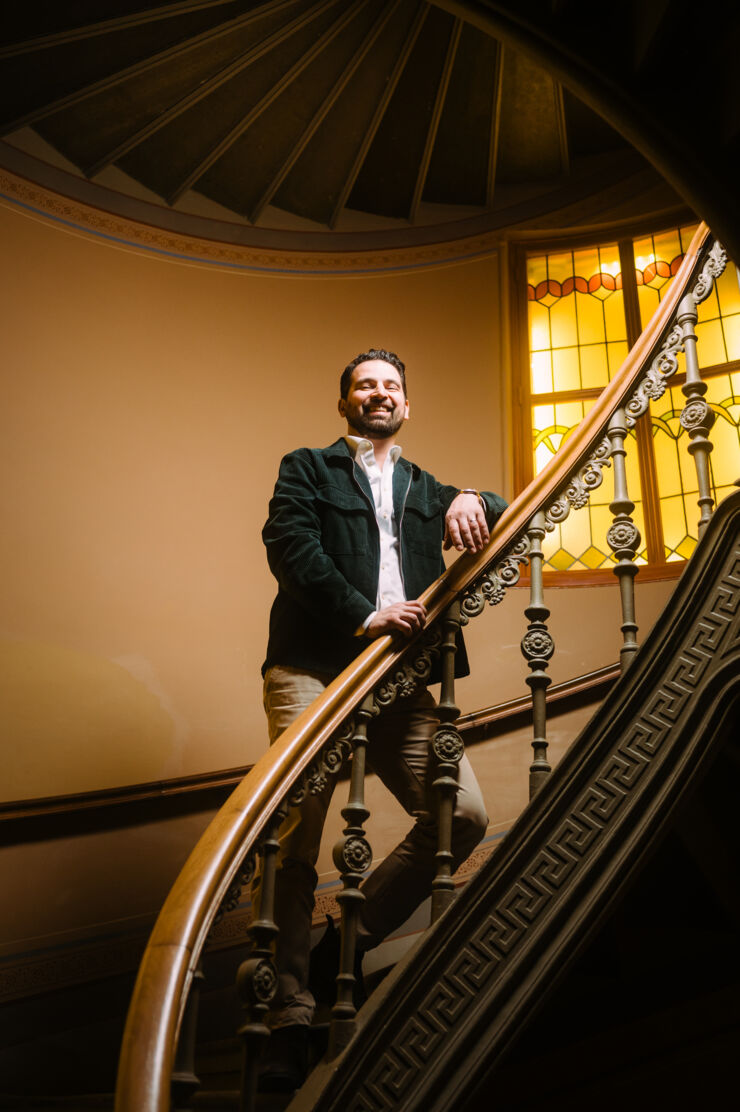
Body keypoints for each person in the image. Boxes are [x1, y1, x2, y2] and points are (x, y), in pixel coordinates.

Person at [255, 348, 507, 1088]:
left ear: (406, 405)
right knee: (296, 831)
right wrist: (364, 615)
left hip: (400, 681)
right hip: (312, 665)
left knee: (460, 814)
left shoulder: (428, 487)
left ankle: (344, 951)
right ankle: (289, 1013)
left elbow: (501, 506)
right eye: (365, 385)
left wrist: (475, 499)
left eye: (391, 386)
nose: (379, 394)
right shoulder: (307, 466)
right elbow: (289, 547)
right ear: (345, 405)